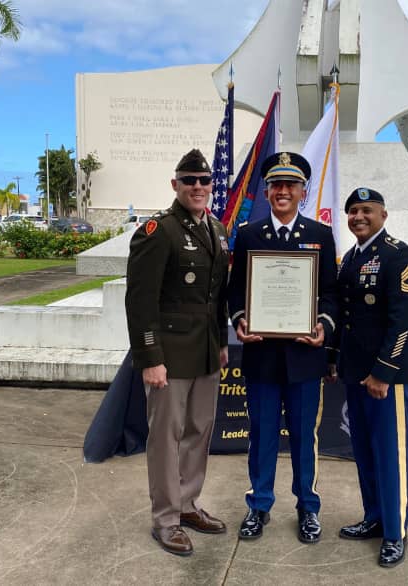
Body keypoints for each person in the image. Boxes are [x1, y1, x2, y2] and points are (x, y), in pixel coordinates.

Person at [227, 151, 338, 544]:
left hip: (305, 358)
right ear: (268, 191)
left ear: (303, 192)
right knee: (262, 434)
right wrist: (241, 318)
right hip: (261, 356)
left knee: (304, 437)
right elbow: (234, 289)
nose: (283, 191)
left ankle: (308, 507)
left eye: (291, 185)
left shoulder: (321, 236)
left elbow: (329, 293)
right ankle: (259, 505)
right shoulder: (250, 234)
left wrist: (323, 325)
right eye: (276, 185)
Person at [125, 148, 230, 557]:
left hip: (205, 351)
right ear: (176, 185)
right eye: (190, 181)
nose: (198, 187)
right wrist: (150, 359)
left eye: (204, 181)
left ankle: (188, 505)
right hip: (169, 354)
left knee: (199, 431)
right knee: (166, 438)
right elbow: (141, 301)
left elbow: (215, 296)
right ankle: (166, 519)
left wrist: (220, 343)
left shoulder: (217, 229)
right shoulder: (158, 230)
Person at [327, 187, 408, 568]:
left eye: (366, 210)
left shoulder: (399, 256)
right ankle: (373, 517)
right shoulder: (352, 258)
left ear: (383, 215)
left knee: (391, 454)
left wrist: (383, 373)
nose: (358, 217)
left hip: (389, 378)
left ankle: (395, 532)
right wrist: (334, 359)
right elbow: (349, 319)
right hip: (356, 375)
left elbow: (404, 322)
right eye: (352, 211)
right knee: (365, 452)